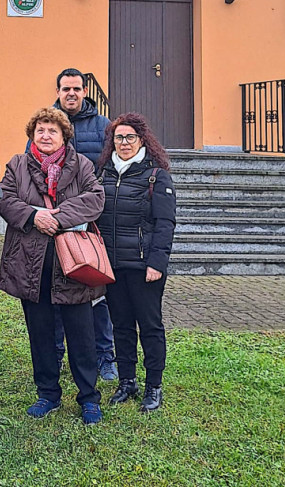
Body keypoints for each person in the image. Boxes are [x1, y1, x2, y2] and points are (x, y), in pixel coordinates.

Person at [0, 107, 105, 425]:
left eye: (52, 131)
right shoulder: (16, 165)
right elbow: (5, 199)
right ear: (32, 134)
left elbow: (95, 199)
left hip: (73, 262)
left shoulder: (82, 164)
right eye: (40, 130)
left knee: (81, 334)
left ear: (64, 136)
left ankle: (88, 398)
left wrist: (54, 217)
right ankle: (48, 394)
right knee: (40, 332)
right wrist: (33, 216)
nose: (45, 136)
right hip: (31, 263)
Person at [96, 112, 176, 412]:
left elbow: (165, 223)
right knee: (121, 326)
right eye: (119, 137)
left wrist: (158, 263)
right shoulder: (102, 172)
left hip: (144, 267)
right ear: (112, 141)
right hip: (112, 264)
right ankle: (126, 381)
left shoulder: (156, 176)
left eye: (130, 137)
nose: (125, 143)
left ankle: (154, 385)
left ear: (142, 140)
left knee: (150, 326)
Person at [42, 68, 117, 380]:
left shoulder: (102, 127)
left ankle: (105, 356)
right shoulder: (46, 124)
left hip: (88, 225)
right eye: (65, 89)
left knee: (96, 291)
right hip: (53, 227)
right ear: (58, 91)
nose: (70, 94)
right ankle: (57, 355)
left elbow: (108, 172)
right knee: (57, 294)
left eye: (76, 88)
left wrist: (84, 210)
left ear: (84, 91)